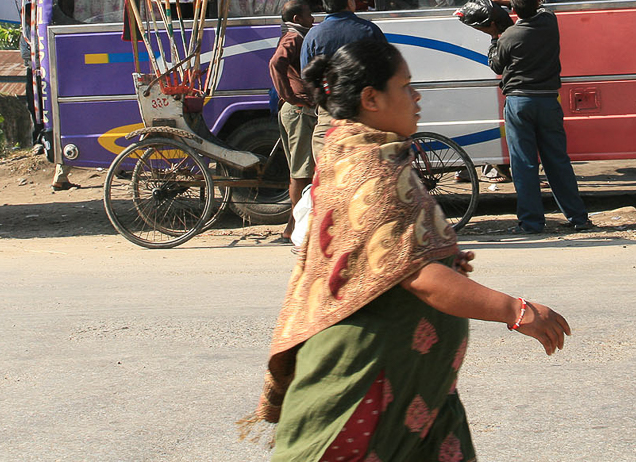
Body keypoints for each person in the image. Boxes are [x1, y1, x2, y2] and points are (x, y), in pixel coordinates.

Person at [245, 38, 571, 459]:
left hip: (410, 385)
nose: (417, 97)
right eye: (406, 87)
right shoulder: (371, 169)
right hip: (371, 384)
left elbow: (375, 251)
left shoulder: (350, 151)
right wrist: (516, 310)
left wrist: (442, 255)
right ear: (371, 98)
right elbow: (418, 277)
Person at [486, 0, 593, 233]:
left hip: (519, 102)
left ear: (515, 11)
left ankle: (532, 222)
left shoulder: (509, 36)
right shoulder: (549, 23)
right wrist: (507, 0)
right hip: (548, 101)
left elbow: (496, 66)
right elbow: (540, 7)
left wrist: (493, 37)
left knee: (524, 164)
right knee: (557, 161)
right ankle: (578, 218)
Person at [300, 0, 387, 160]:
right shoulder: (369, 30)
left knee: (329, 177)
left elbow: (307, 76)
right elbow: (385, 70)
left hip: (329, 115)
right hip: (366, 113)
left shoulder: (313, 36)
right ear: (350, 1)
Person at [269, 0, 317, 242]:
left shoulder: (300, 35)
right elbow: (276, 63)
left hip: (297, 110)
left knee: (304, 171)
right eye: (309, 14)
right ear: (297, 18)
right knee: (301, 173)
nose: (313, 18)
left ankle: (295, 225)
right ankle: (292, 228)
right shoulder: (293, 36)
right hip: (298, 112)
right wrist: (289, 95)